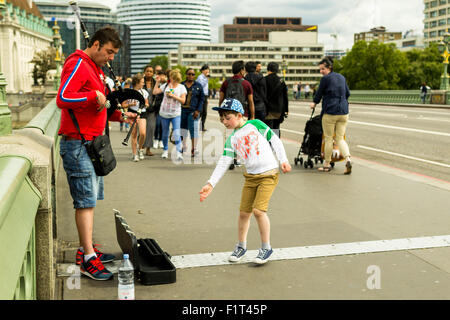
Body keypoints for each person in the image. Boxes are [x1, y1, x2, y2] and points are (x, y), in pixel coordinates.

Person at [56, 26, 136, 280]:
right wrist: (93, 95)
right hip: (78, 144)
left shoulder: (95, 68)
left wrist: (121, 114)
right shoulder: (79, 63)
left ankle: (86, 250)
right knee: (85, 203)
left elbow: (101, 107)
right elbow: (63, 97)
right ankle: (88, 259)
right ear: (97, 44)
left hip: (92, 144)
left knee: (89, 200)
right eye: (109, 52)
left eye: (114, 54)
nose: (111, 57)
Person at [199, 98, 291, 265]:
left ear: (239, 115)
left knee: (258, 211)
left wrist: (283, 159)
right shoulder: (232, 138)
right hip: (250, 177)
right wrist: (210, 183)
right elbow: (224, 161)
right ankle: (241, 246)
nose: (224, 122)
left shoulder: (255, 125)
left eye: (227, 118)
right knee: (243, 213)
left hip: (269, 175)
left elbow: (274, 140)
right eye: (221, 119)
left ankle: (266, 247)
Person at [310, 56, 352, 174]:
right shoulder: (342, 77)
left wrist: (314, 103)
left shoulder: (325, 79)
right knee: (339, 138)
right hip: (344, 111)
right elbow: (348, 93)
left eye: (322, 69)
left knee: (328, 138)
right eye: (320, 69)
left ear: (329, 68)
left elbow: (318, 94)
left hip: (330, 112)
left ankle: (327, 164)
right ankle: (348, 159)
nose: (321, 71)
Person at [153, 69, 186, 160]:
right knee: (165, 133)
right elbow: (155, 92)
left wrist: (173, 96)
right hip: (164, 113)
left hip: (176, 113)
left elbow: (183, 101)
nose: (171, 79)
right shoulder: (166, 85)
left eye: (172, 78)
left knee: (176, 132)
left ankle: (179, 152)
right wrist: (157, 82)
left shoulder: (181, 87)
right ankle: (165, 150)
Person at [181, 68, 204, 157]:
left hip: (193, 111)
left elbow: (202, 99)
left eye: (193, 74)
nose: (191, 76)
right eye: (189, 74)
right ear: (186, 75)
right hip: (182, 110)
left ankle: (194, 149)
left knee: (194, 130)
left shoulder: (198, 85)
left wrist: (198, 110)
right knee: (183, 129)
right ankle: (183, 146)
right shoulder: (181, 85)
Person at [128, 73, 149, 162]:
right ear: (137, 82)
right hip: (132, 112)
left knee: (143, 133)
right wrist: (131, 104)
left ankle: (140, 149)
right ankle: (134, 154)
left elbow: (147, 103)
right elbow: (123, 104)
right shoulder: (129, 92)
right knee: (134, 134)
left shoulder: (144, 92)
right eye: (142, 82)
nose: (143, 84)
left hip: (142, 113)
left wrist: (145, 105)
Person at [264, 62, 288, 137]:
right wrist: (286, 110)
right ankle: (276, 145)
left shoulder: (264, 80)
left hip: (268, 109)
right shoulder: (281, 81)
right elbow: (285, 97)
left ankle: (267, 146)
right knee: (276, 128)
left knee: (266, 129)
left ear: (268, 69)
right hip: (278, 109)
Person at [142, 65, 157, 156]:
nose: (149, 73)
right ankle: (140, 147)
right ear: (144, 72)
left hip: (152, 109)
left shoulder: (155, 83)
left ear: (153, 73)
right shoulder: (141, 81)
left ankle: (148, 148)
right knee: (142, 129)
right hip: (142, 108)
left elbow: (158, 96)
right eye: (147, 71)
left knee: (151, 128)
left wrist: (154, 106)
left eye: (151, 71)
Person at [152, 69, 167, 149]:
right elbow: (154, 92)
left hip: (165, 107)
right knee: (157, 124)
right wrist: (157, 82)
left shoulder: (167, 84)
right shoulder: (157, 83)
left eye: (162, 75)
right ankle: (156, 139)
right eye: (159, 75)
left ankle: (161, 140)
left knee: (162, 125)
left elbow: (171, 91)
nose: (161, 77)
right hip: (157, 107)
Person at [197, 64, 210, 131]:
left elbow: (206, 89)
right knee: (200, 111)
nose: (208, 71)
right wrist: (207, 79)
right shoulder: (200, 77)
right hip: (200, 96)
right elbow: (201, 86)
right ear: (202, 70)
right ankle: (194, 124)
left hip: (205, 96)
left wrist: (207, 98)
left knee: (205, 112)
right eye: (206, 69)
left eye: (208, 69)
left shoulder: (206, 78)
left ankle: (202, 126)